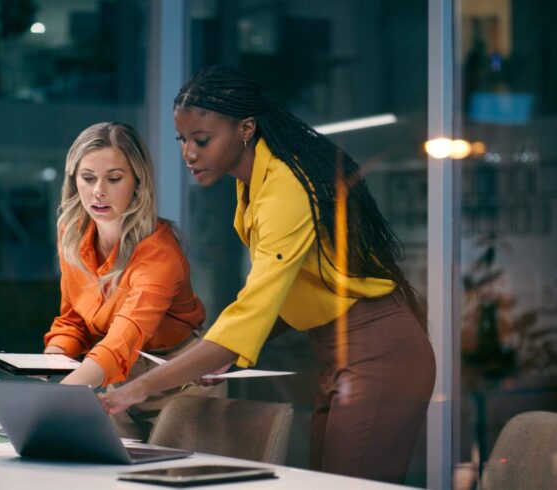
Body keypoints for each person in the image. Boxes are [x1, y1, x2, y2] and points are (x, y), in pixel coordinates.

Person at [101, 66, 436, 483]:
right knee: (328, 481)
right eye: (183, 140)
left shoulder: (284, 188)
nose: (188, 153)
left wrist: (139, 388)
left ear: (246, 129)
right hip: (338, 350)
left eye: (201, 140)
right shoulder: (252, 183)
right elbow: (289, 295)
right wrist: (223, 351)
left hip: (379, 349)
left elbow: (255, 307)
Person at [43, 122, 224, 441]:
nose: (98, 191)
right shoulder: (72, 236)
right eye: (87, 178)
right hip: (115, 378)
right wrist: (51, 362)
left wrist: (57, 399)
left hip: (179, 379)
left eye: (114, 179)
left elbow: (125, 336)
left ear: (138, 184)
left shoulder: (160, 251)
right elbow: (74, 320)